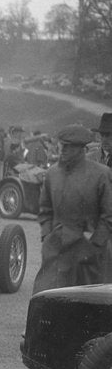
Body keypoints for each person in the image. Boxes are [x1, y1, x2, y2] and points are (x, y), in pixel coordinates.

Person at [33, 124, 112, 294]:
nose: (63, 149)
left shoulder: (100, 174)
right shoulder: (53, 174)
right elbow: (45, 209)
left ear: (81, 149)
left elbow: (108, 215)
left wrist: (95, 243)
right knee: (46, 296)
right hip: (56, 249)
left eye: (69, 146)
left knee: (87, 303)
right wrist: (47, 236)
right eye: (62, 145)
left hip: (88, 252)